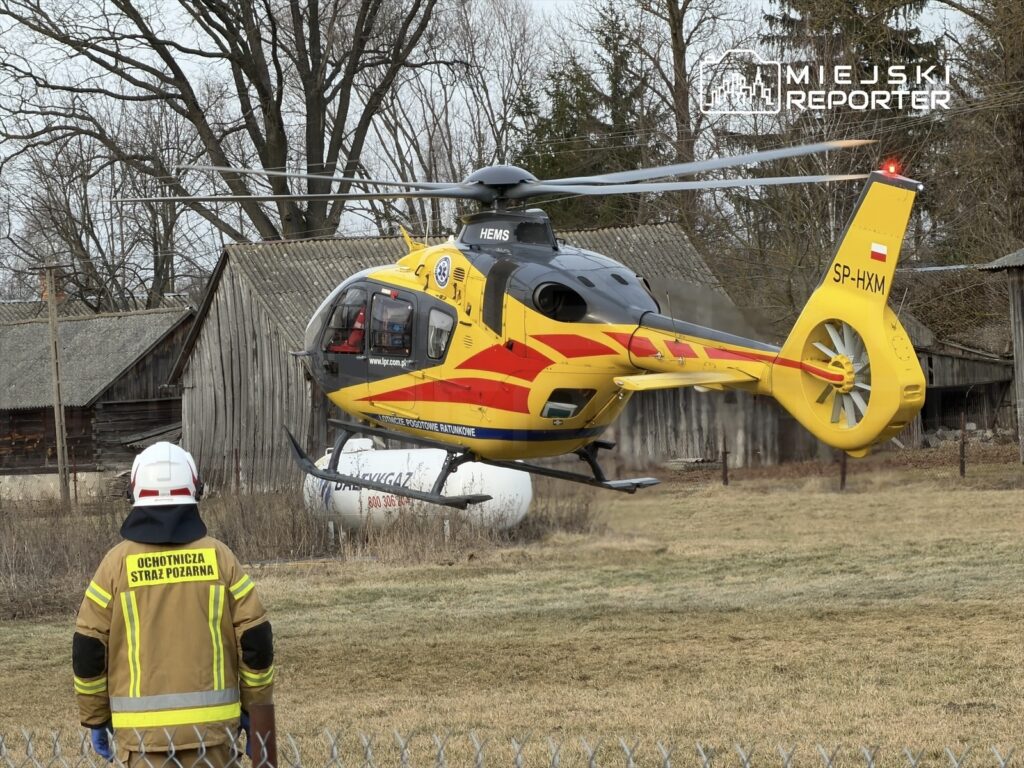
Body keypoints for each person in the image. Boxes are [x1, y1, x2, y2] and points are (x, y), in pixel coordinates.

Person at [73, 442, 274, 767]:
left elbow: (87, 649)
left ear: (134, 493)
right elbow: (257, 643)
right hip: (213, 739)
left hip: (141, 743)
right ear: (196, 490)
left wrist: (96, 718)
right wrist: (258, 714)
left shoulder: (115, 566)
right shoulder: (221, 559)